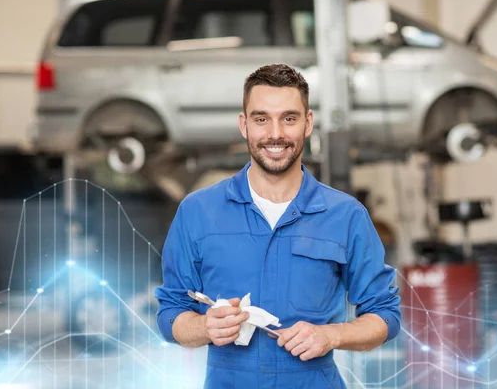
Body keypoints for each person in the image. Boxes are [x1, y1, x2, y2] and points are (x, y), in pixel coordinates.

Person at [154, 64, 401, 388]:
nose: (275, 134)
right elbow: (171, 313)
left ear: (308, 123)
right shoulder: (198, 212)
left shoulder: (346, 216)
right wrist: (205, 328)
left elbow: (385, 316)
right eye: (261, 119)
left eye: (289, 118)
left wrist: (331, 334)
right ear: (244, 125)